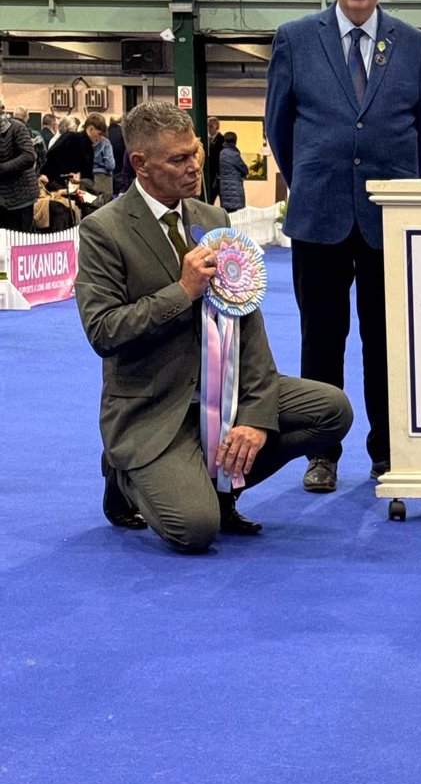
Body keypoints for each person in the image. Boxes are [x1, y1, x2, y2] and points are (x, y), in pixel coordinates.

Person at [74, 101, 353, 553]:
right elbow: (103, 332)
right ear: (141, 165)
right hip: (155, 407)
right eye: (178, 160)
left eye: (195, 153)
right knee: (195, 531)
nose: (194, 167)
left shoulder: (213, 219)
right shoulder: (103, 231)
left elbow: (249, 324)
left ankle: (224, 487)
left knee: (332, 410)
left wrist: (256, 418)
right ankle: (125, 476)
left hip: (225, 392)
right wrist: (181, 292)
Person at [266, 0, 421, 490]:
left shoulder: (416, 46)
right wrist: (313, 183)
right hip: (319, 218)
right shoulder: (294, 39)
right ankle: (322, 452)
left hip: (389, 222)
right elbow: (278, 127)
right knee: (321, 338)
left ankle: (388, 449)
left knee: (386, 340)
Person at [0, 98, 39, 232]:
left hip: (20, 198)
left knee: (18, 245)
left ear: (2, 108)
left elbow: (29, 156)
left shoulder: (17, 128)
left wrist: (3, 168)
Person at [42, 114, 97, 188]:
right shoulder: (65, 139)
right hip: (55, 181)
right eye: (73, 128)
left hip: (66, 182)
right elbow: (52, 156)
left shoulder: (80, 143)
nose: (75, 130)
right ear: (66, 129)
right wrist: (68, 173)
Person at [218, 131, 248, 212]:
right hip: (234, 189)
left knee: (227, 212)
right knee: (236, 214)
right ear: (235, 141)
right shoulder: (233, 154)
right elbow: (244, 169)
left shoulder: (221, 153)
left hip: (224, 188)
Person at [12, 107, 47, 174]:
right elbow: (43, 157)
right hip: (31, 174)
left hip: (10, 175)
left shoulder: (6, 133)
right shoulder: (35, 135)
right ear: (27, 117)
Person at [91, 122, 116, 197]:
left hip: (89, 179)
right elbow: (110, 165)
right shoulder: (105, 142)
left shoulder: (83, 142)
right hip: (104, 179)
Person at [107, 114, 127, 193]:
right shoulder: (123, 133)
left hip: (108, 173)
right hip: (120, 168)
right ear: (121, 122)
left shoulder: (106, 131)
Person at [207, 116, 224, 204]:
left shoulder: (222, 140)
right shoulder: (207, 140)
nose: (208, 129)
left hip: (217, 176)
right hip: (209, 175)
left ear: (216, 127)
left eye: (210, 126)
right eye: (207, 126)